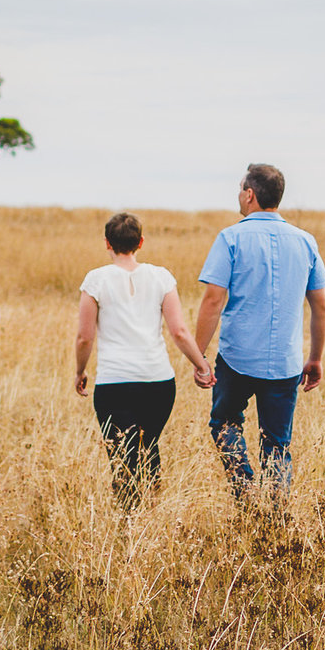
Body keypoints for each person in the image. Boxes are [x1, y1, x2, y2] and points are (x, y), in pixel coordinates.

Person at [194, 163, 325, 503]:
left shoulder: (230, 237)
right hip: (286, 362)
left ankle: (244, 491)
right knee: (277, 443)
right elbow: (321, 307)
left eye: (241, 189)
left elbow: (213, 301)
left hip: (237, 357)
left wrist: (199, 357)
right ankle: (276, 515)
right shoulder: (305, 241)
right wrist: (314, 358)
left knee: (224, 424)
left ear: (250, 194)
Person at [73, 211, 214, 509]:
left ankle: (130, 517)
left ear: (107, 244)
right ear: (141, 242)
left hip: (115, 383)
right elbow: (179, 331)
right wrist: (201, 364)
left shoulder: (95, 280)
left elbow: (85, 338)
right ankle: (153, 508)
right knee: (148, 445)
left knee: (122, 455)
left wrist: (80, 371)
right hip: (159, 382)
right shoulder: (161, 277)